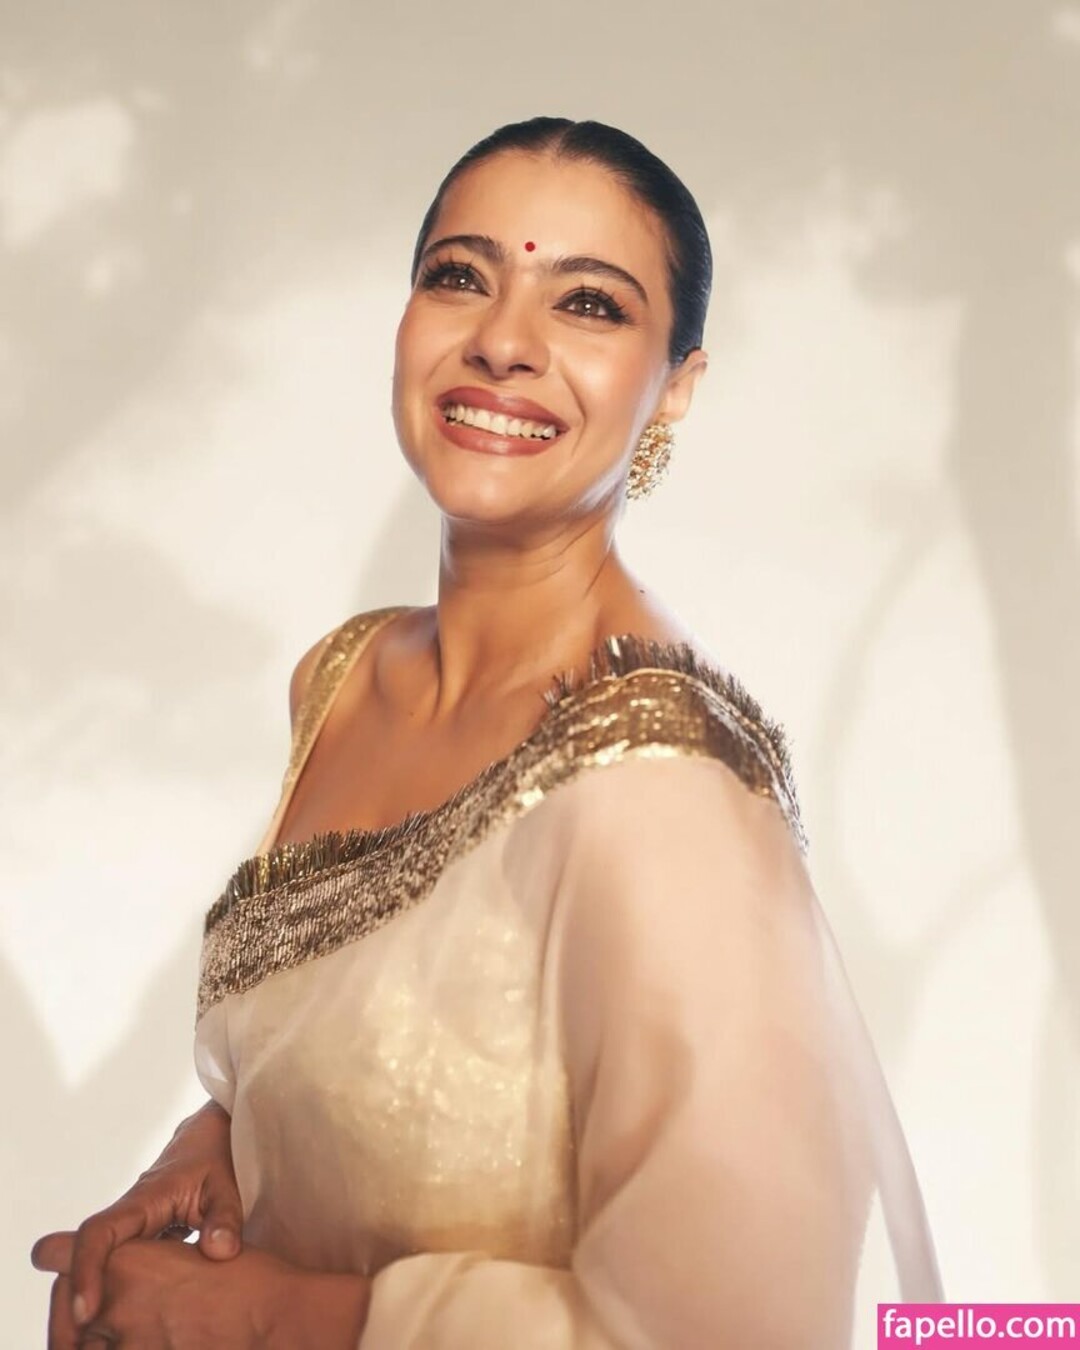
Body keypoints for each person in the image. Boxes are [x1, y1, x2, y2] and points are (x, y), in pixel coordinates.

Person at [32, 116, 944, 1348]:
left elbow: (739, 1326)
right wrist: (214, 1150)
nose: (503, 342)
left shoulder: (659, 783)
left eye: (590, 304)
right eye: (459, 277)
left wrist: (266, 1318)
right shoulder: (343, 682)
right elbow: (394, 1056)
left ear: (676, 385)